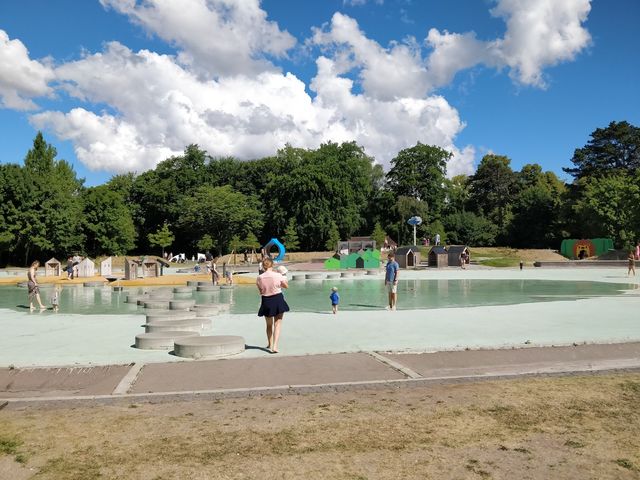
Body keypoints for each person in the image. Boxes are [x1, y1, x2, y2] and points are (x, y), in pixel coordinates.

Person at [256, 257, 289, 353]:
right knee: (277, 324)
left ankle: (269, 344)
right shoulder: (278, 275)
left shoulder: (259, 278)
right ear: (272, 265)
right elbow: (286, 286)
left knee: (269, 325)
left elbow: (261, 291)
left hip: (266, 300)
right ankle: (274, 346)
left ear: (263, 266)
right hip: (277, 299)